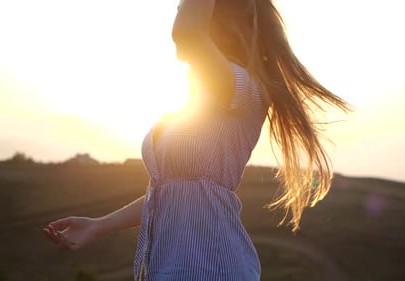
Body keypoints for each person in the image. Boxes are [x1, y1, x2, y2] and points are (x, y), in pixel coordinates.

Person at [43, 0, 350, 280]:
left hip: (212, 268)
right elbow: (171, 192)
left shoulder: (240, 88)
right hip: (173, 268)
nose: (182, 11)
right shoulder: (206, 93)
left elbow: (187, 34)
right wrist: (99, 225)